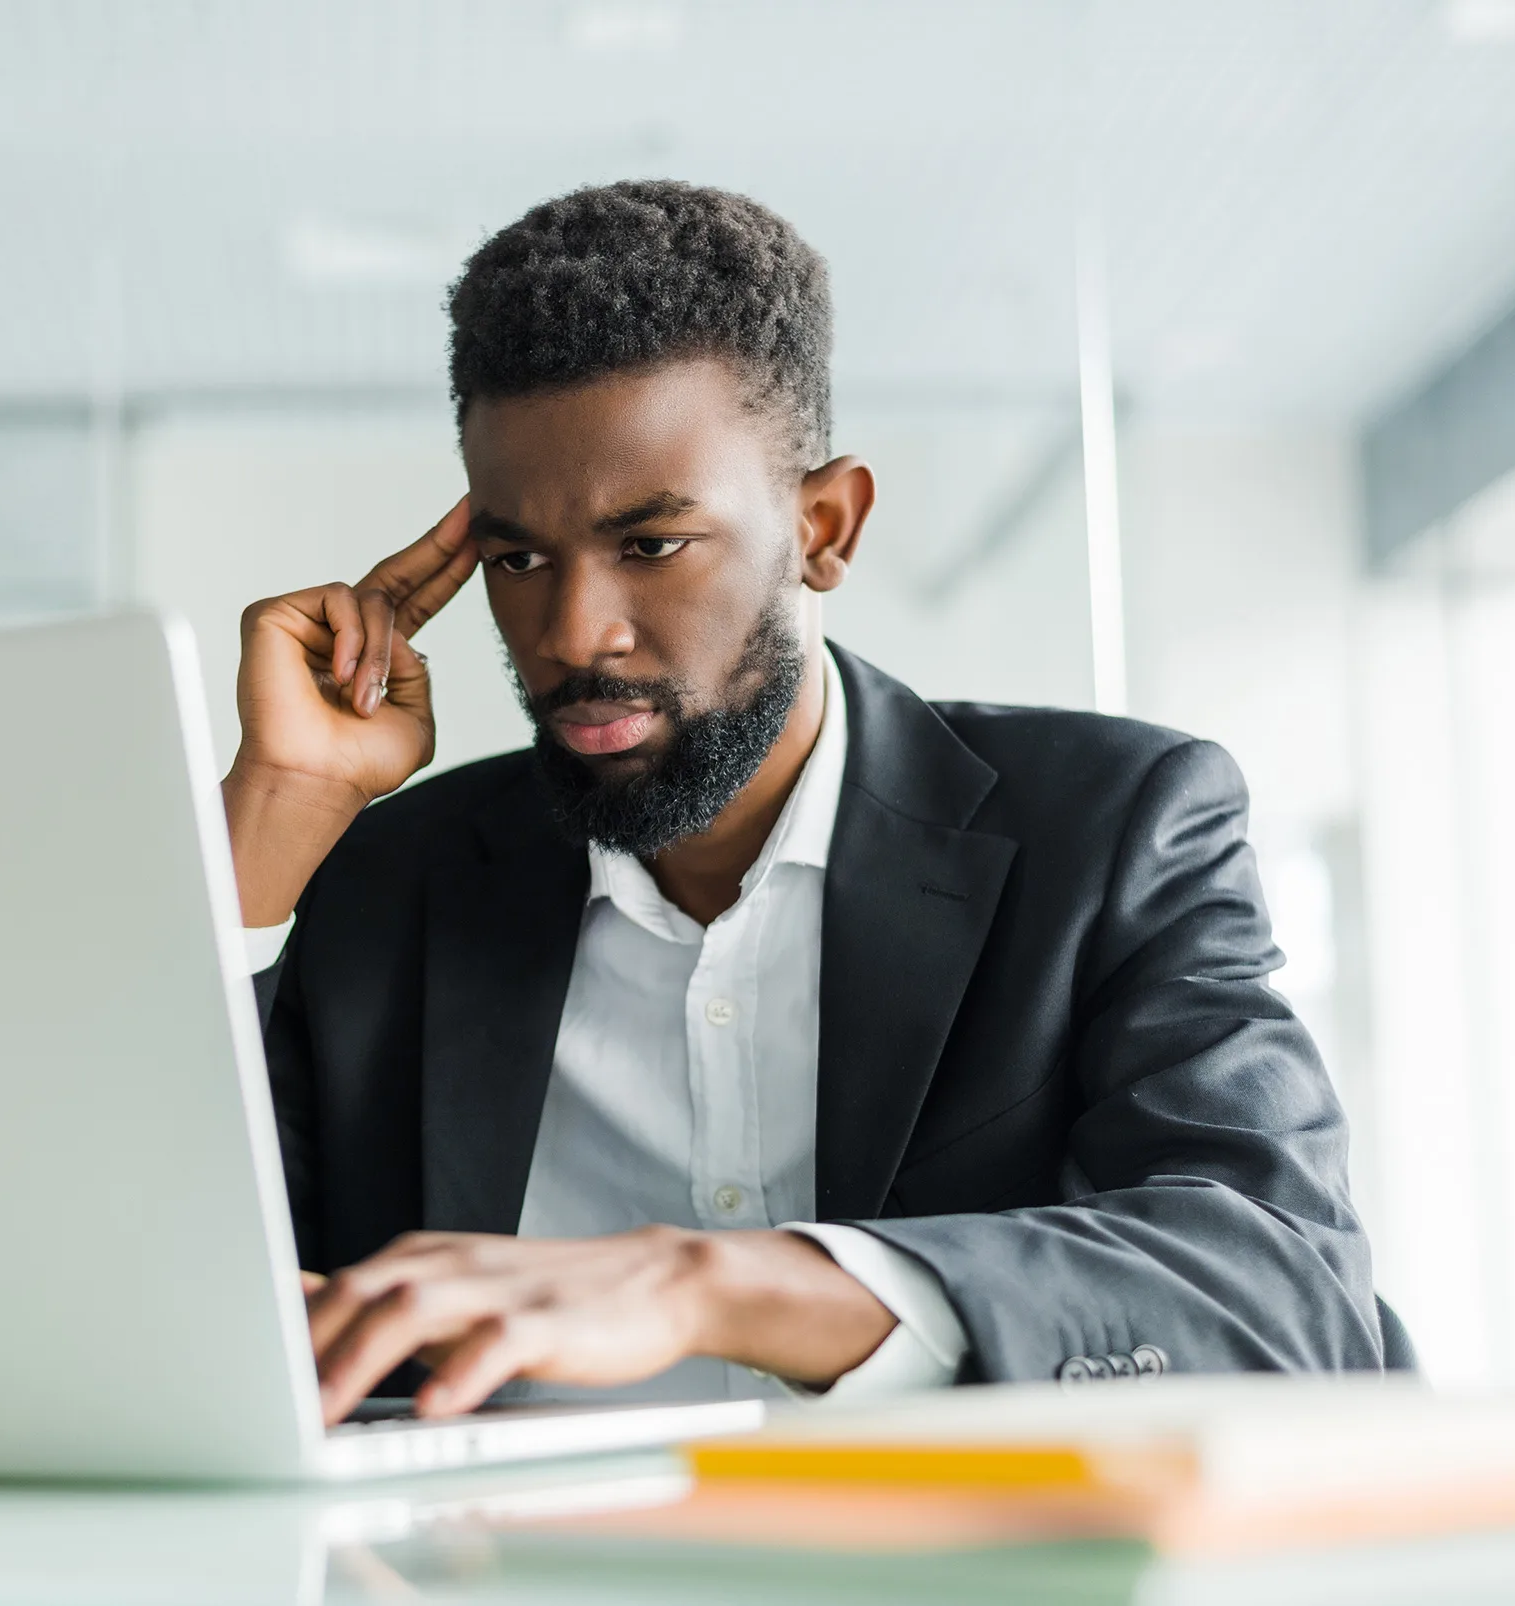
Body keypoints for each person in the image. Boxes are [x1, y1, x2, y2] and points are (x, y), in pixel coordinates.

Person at [226, 180, 1382, 1426]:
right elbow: (95, 1273)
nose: (573, 632)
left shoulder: (1111, 828)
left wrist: (707, 1284)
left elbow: (1287, 1293)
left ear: (823, 528)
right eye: (517, 558)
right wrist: (266, 831)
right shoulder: (395, 885)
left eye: (653, 544)